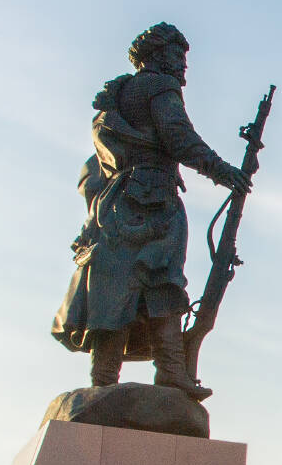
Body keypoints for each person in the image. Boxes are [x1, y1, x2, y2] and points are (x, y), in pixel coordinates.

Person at [52, 22, 250, 399]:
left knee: (114, 291)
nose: (183, 66)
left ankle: (104, 380)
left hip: (115, 205)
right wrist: (224, 171)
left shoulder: (119, 95)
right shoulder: (159, 86)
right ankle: (172, 370)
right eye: (178, 56)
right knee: (163, 284)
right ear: (158, 55)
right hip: (155, 200)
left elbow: (96, 167)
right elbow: (179, 136)